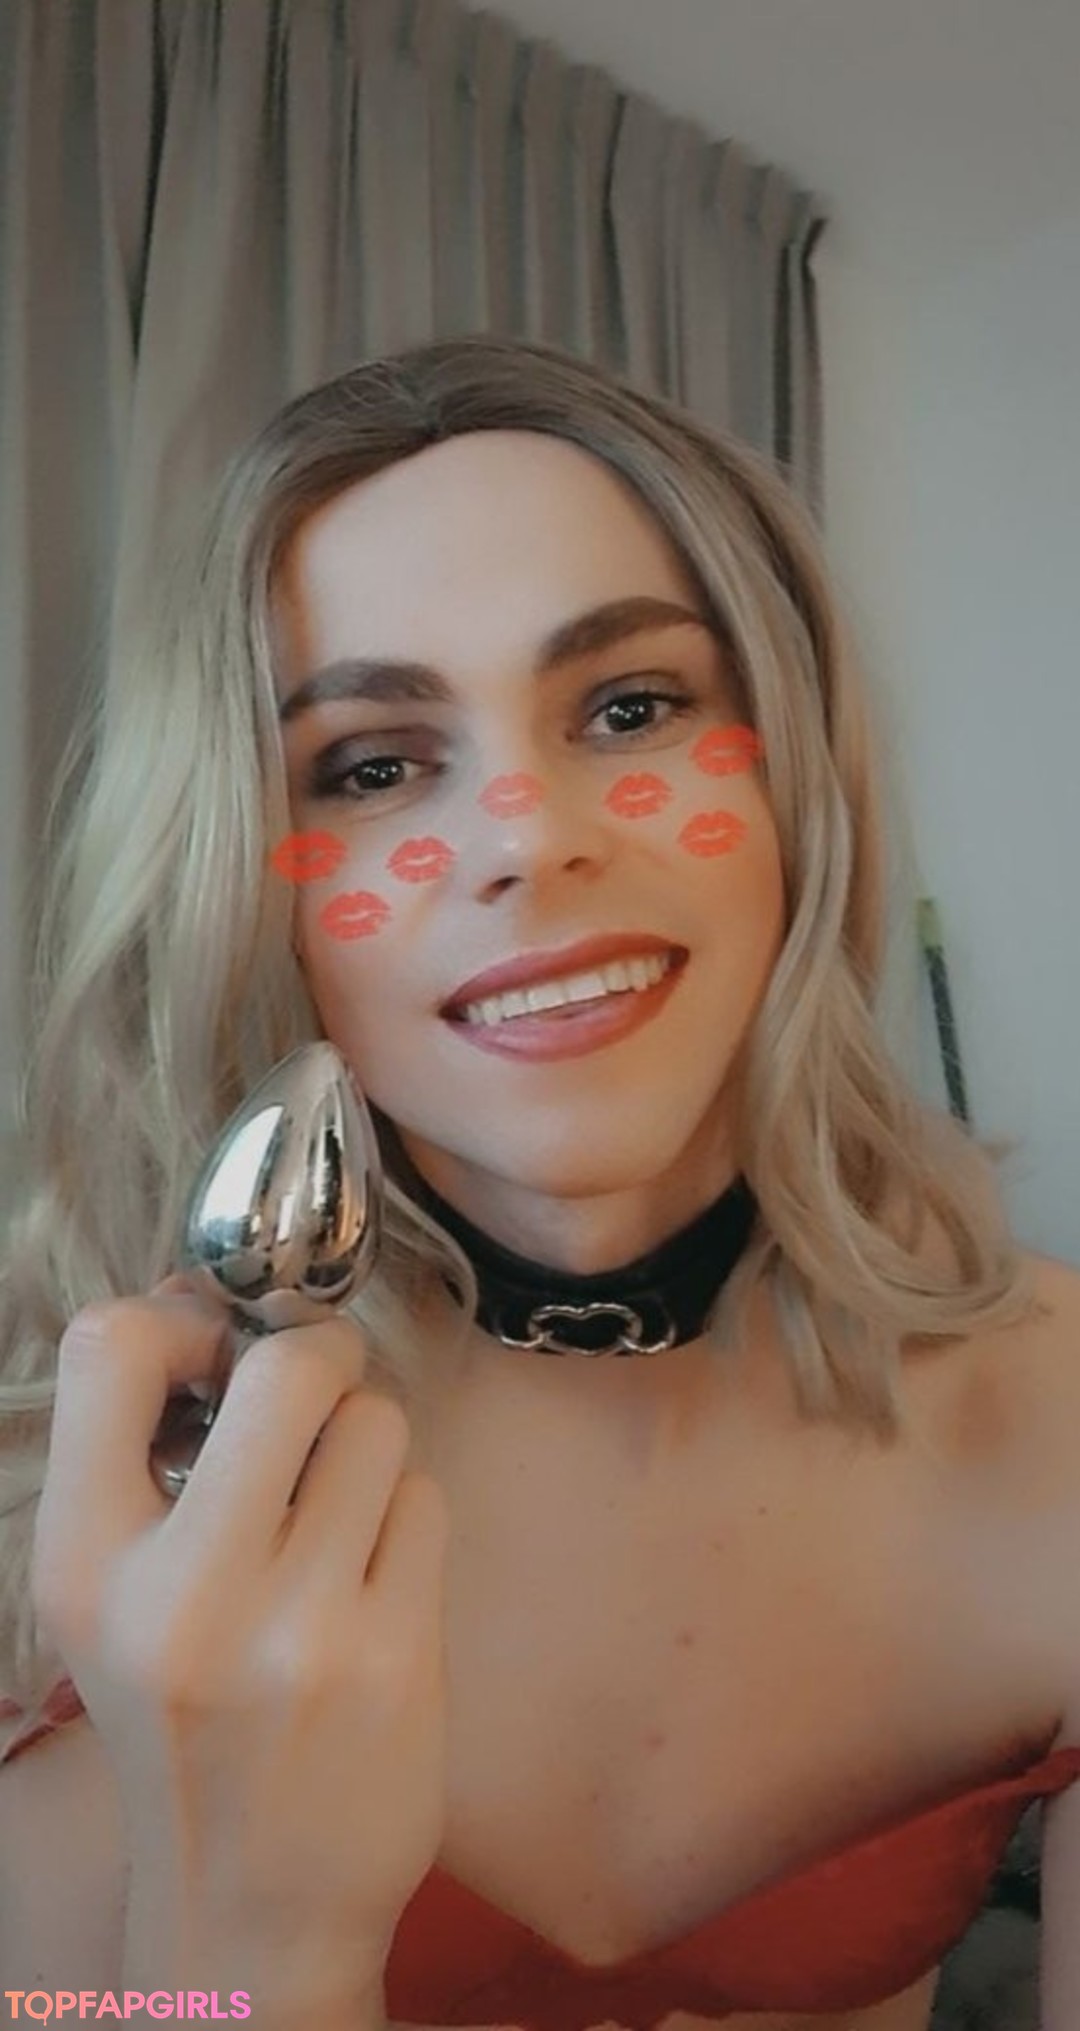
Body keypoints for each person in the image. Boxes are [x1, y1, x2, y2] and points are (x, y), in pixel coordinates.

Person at [0, 333, 1078, 2031]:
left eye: (632, 708)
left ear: (793, 776)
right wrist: (247, 1949)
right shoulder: (61, 1496)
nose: (525, 836)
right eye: (372, 766)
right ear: (243, 876)